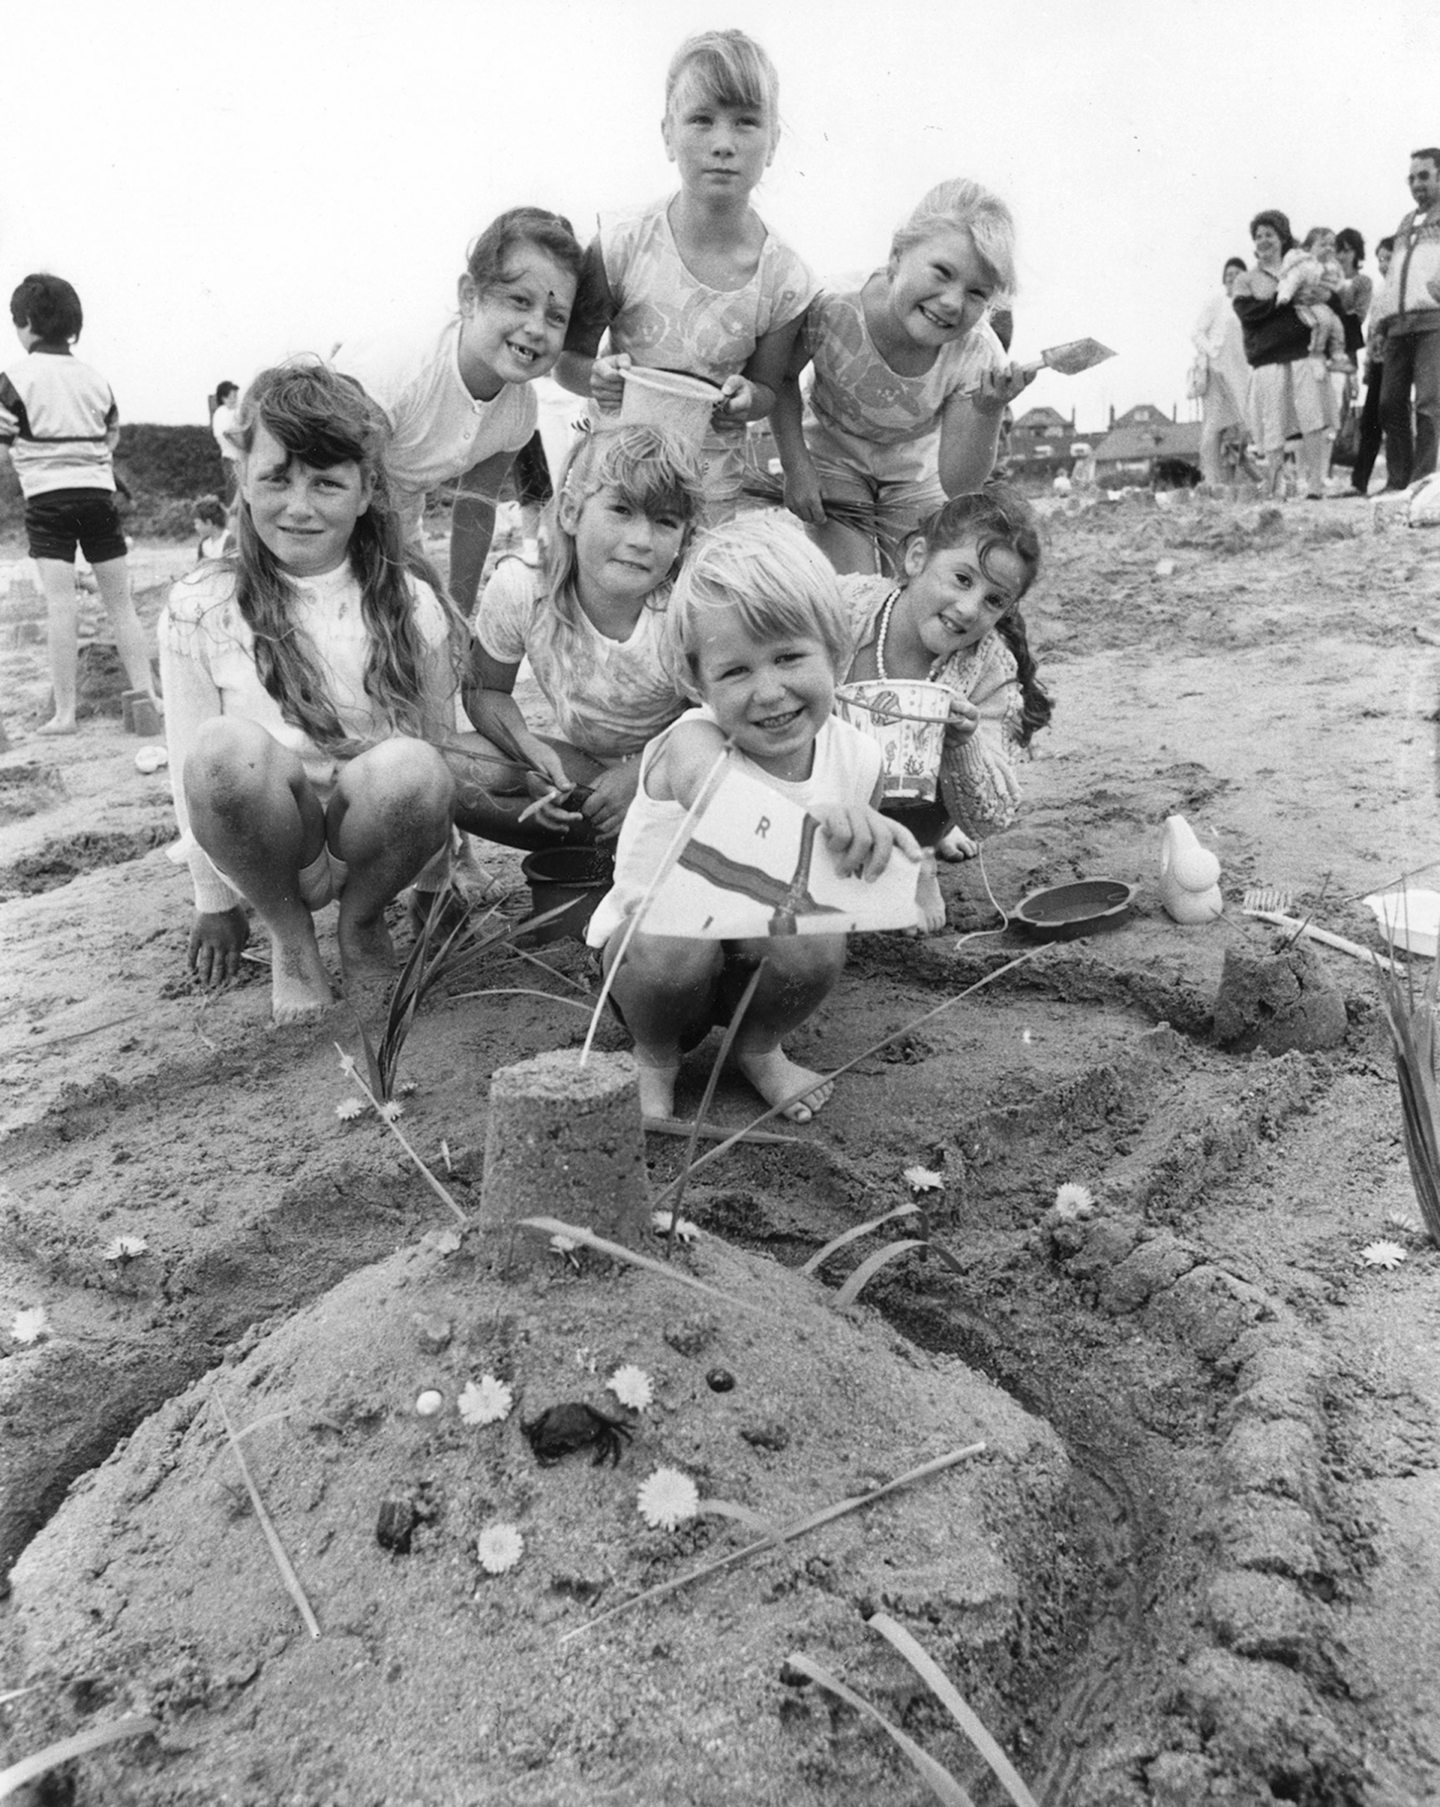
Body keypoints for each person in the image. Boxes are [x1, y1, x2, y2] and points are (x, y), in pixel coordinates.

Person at [586, 510, 920, 1124]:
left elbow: (845, 883)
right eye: (736, 671)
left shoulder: (858, 755)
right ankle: (654, 1058)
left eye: (789, 658)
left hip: (760, 951)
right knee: (673, 938)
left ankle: (759, 1047)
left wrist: (879, 849)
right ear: (696, 681)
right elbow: (721, 804)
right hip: (652, 963)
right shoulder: (691, 742)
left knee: (819, 936)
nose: (768, 692)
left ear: (837, 651)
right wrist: (825, 822)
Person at [158, 363, 466, 1025]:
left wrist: (438, 884)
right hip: (269, 838)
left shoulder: (412, 604)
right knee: (219, 753)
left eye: (326, 482)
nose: (299, 506)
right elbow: (189, 767)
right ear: (243, 477)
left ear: (365, 492)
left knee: (415, 765)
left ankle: (361, 925)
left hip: (373, 840)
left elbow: (441, 750)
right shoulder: (197, 607)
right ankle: (290, 939)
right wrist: (212, 901)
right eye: (277, 478)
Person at [556, 29, 816, 521]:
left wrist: (747, 399)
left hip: (709, 495)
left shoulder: (786, 279)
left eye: (746, 123)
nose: (723, 144)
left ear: (774, 141)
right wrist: (596, 377)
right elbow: (567, 361)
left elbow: (768, 387)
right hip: (614, 483)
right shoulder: (620, 244)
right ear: (668, 135)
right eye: (701, 120)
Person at [458, 424, 707, 850]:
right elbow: (484, 690)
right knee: (442, 764)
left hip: (677, 766)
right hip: (585, 768)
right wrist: (528, 750)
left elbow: (722, 720)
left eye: (665, 521)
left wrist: (641, 776)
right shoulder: (523, 589)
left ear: (685, 539)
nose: (641, 540)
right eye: (621, 511)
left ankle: (646, 844)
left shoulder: (691, 605)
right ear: (571, 513)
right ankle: (604, 847)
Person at [771, 178, 1035, 577]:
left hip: (915, 468)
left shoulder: (977, 352)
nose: (951, 302)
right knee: (852, 586)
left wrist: (987, 410)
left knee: (915, 583)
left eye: (977, 293)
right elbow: (783, 377)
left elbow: (960, 482)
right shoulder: (832, 306)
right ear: (897, 255)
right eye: (942, 272)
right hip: (835, 453)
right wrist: (796, 466)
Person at [333, 207, 586, 612]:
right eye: (520, 301)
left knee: (428, 625)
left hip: (398, 514)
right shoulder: (401, 368)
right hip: (324, 509)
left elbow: (477, 503)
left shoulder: (520, 410)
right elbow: (331, 480)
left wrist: (458, 613)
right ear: (470, 297)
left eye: (556, 316)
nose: (536, 327)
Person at [837, 485, 1051, 931]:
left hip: (917, 813)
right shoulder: (845, 607)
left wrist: (962, 746)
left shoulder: (987, 668)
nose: (970, 609)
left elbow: (989, 817)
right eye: (962, 579)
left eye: (995, 600)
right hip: (833, 794)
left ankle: (919, 859)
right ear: (917, 558)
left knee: (929, 758)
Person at [0, 274, 162, 737]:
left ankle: (65, 714)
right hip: (96, 494)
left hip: (47, 500)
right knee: (121, 602)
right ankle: (148, 696)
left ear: (27, 322)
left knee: (60, 604)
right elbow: (110, 435)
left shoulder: (14, 377)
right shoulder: (95, 378)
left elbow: (2, 441)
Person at [1231, 210, 1339, 500]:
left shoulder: (1301, 266)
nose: (1264, 240)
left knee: (1312, 419)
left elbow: (1324, 297)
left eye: (1270, 234)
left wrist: (1311, 297)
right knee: (1272, 425)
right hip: (1268, 360)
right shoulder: (1246, 279)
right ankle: (1275, 485)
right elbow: (1248, 314)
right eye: (1258, 235)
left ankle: (1315, 484)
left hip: (1304, 354)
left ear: (1282, 238)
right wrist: (1282, 301)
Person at [1376, 147, 1440, 492]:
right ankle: (1397, 479)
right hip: (1398, 326)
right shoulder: (1405, 223)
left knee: (1429, 403)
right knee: (1389, 402)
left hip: (1433, 323)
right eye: (1412, 178)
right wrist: (1382, 320)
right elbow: (1394, 275)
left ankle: (1422, 482)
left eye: (1424, 176)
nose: (1417, 184)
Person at [1192, 257, 1254, 489]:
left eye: (1237, 275)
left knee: (1242, 425)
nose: (1232, 279)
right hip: (1216, 370)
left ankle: (1236, 480)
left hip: (1241, 373)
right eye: (1229, 275)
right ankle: (1211, 480)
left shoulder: (1248, 305)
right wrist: (1212, 354)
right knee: (1213, 426)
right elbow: (1196, 332)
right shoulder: (1217, 302)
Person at [1351, 237, 1395, 497]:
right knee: (1370, 422)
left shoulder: (1402, 289)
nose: (1383, 264)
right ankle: (1359, 481)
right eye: (1380, 259)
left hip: (1397, 360)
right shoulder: (1380, 289)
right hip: (1378, 362)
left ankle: (1398, 478)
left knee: (1392, 419)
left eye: (1388, 258)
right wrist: (1367, 366)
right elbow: (1372, 332)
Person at [1278, 230, 1352, 375]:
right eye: (1323, 244)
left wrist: (1337, 291)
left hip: (1323, 305)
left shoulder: (1332, 266)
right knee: (1322, 323)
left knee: (1337, 326)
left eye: (1332, 245)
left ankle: (1338, 356)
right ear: (1308, 248)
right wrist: (1284, 297)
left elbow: (1339, 284)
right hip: (1307, 304)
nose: (1329, 248)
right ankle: (1316, 354)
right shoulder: (1305, 264)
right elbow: (1292, 280)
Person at [211, 381, 240, 500]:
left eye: (236, 396)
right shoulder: (220, 413)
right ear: (224, 397)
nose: (235, 399)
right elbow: (223, 435)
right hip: (230, 458)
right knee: (233, 489)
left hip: (241, 457)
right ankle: (232, 517)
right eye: (233, 396)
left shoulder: (237, 411)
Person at [192, 495, 232, 562]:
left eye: (197, 523)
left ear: (208, 523)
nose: (195, 527)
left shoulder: (230, 540)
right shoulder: (204, 544)